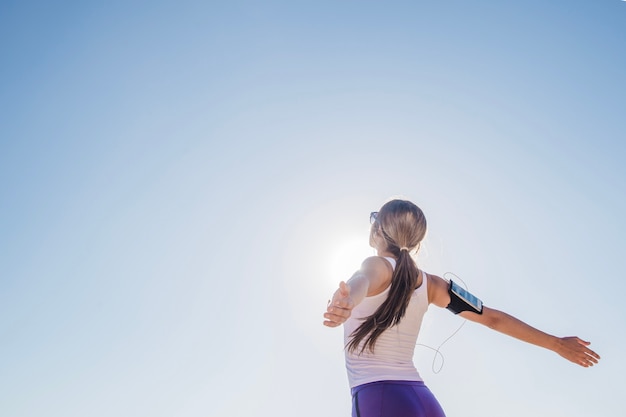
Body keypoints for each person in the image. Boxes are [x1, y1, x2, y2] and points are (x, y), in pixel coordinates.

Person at [323, 199, 600, 417]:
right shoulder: (431, 284)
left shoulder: (377, 265)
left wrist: (347, 301)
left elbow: (361, 281)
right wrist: (556, 344)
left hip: (380, 398)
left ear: (377, 230)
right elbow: (492, 318)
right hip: (424, 403)